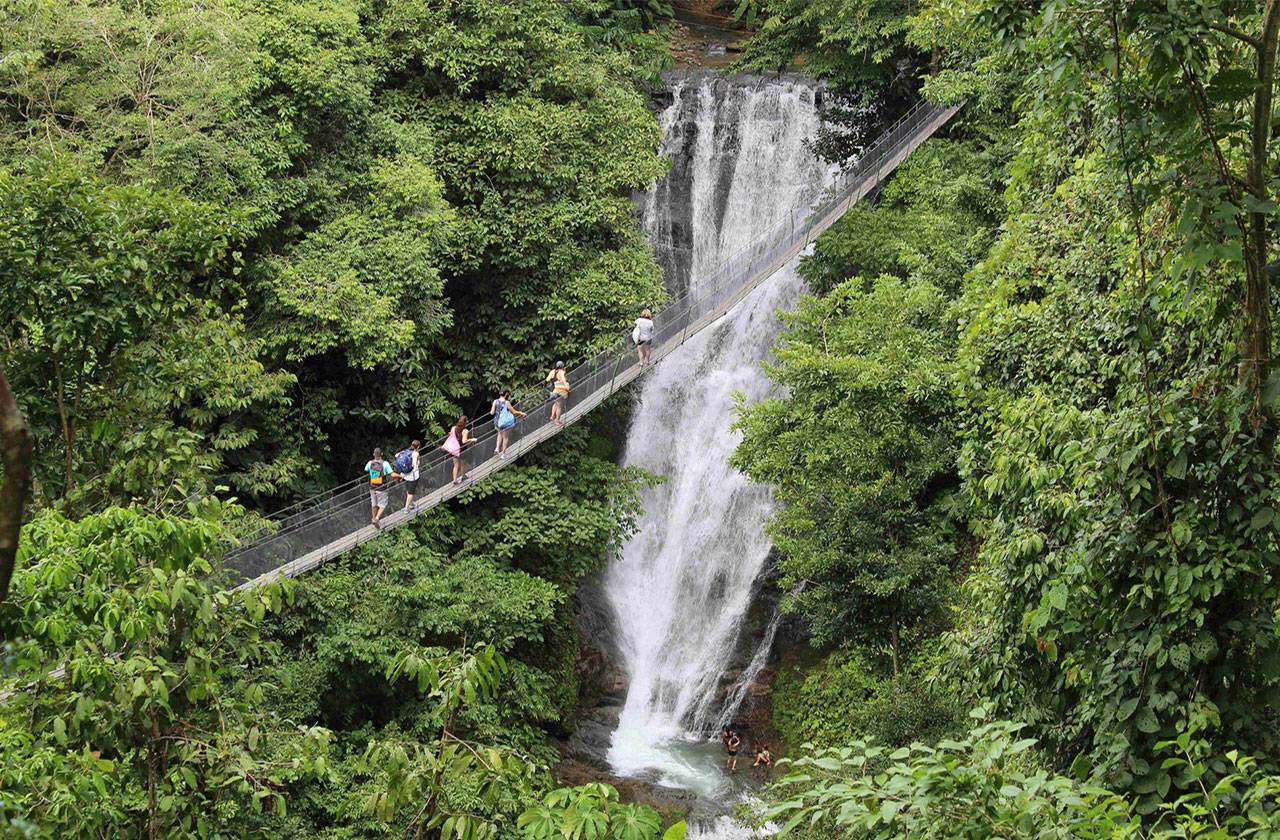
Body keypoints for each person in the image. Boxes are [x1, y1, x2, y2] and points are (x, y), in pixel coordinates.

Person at [364, 448, 400, 527]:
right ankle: (376, 518)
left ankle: (373, 518)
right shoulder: (385, 464)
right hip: (381, 487)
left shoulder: (370, 463)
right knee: (383, 504)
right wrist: (401, 476)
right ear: (382, 454)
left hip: (372, 487)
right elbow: (393, 475)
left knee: (374, 503)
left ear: (374, 454)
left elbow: (366, 469)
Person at [491, 390, 527, 460]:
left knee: (499, 434)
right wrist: (521, 413)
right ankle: (503, 454)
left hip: (497, 422)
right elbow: (513, 411)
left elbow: (492, 413)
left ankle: (497, 448)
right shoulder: (507, 403)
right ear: (506, 394)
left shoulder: (495, 401)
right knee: (505, 437)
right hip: (505, 423)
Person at [441, 416, 475, 485]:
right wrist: (472, 439)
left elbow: (451, 434)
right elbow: (464, 441)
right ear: (465, 422)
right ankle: (463, 476)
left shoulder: (453, 428)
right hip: (461, 449)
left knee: (456, 465)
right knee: (462, 463)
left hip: (454, 450)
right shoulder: (465, 431)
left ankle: (455, 480)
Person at [395, 440, 422, 510]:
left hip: (405, 475)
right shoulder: (415, 453)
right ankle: (406, 508)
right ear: (418, 447)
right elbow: (415, 466)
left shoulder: (405, 451)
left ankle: (411, 504)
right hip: (413, 476)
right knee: (411, 492)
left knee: (409, 490)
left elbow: (396, 455)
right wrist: (415, 468)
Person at [544, 362, 570, 427]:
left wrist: (545, 388)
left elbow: (546, 380)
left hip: (555, 390)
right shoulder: (561, 372)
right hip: (561, 390)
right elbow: (563, 379)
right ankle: (557, 420)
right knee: (559, 406)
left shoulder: (552, 371)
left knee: (555, 403)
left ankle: (552, 416)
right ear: (562, 366)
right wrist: (566, 386)